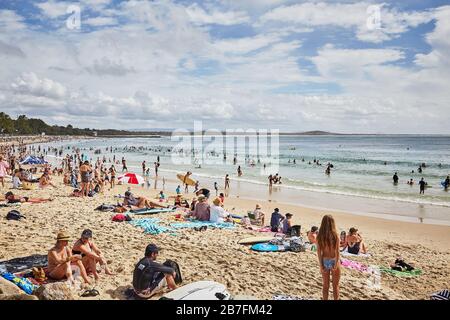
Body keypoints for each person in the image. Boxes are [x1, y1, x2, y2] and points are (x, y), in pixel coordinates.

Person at [317, 215, 340, 300]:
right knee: (335, 286)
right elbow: (337, 251)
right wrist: (336, 264)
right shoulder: (335, 235)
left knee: (325, 285)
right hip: (334, 259)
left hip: (325, 260)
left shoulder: (320, 236)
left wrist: (321, 265)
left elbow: (319, 252)